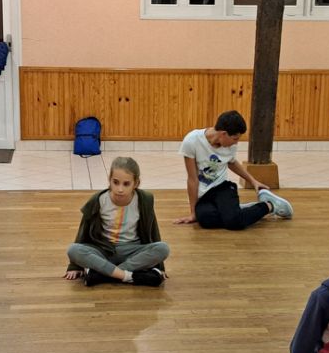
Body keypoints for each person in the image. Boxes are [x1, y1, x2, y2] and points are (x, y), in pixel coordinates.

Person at [174, 110, 293, 230]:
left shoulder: (230, 146)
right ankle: (235, 210)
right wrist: (193, 213)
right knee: (205, 220)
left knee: (234, 222)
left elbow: (231, 162)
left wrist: (253, 181)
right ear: (224, 134)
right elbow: (192, 179)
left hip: (223, 188)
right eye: (235, 139)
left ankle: (269, 206)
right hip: (204, 195)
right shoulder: (192, 141)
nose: (236, 143)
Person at [64, 156, 169, 287]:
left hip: (132, 251)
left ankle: (104, 274)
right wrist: (74, 266)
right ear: (109, 180)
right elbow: (82, 232)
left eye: (126, 184)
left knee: (163, 248)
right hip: (103, 250)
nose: (120, 189)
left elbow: (153, 232)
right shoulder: (98, 200)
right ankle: (127, 276)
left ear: (136, 183)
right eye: (116, 182)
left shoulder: (145, 200)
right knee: (73, 250)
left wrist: (160, 267)